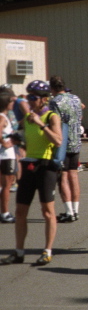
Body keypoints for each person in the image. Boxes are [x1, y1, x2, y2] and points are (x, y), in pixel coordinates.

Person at [1, 81, 63, 265]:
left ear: (44, 99)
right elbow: (24, 141)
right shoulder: (27, 118)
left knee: (47, 212)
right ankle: (19, 252)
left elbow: (58, 141)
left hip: (45, 167)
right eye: (28, 97)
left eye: (33, 97)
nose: (29, 100)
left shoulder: (51, 117)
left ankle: (47, 250)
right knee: (20, 211)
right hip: (29, 166)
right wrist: (16, 142)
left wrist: (41, 125)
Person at [49, 76, 83, 223]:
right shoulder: (75, 98)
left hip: (63, 142)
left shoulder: (55, 102)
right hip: (76, 140)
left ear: (52, 88)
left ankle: (69, 212)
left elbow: (54, 122)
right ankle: (76, 209)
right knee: (73, 176)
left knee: (63, 177)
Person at [0, 88, 18, 223]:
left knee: (4, 185)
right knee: (7, 185)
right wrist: (4, 143)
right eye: (11, 101)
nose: (13, 103)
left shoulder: (4, 116)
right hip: (6, 156)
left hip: (6, 156)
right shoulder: (2, 117)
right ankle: (5, 213)